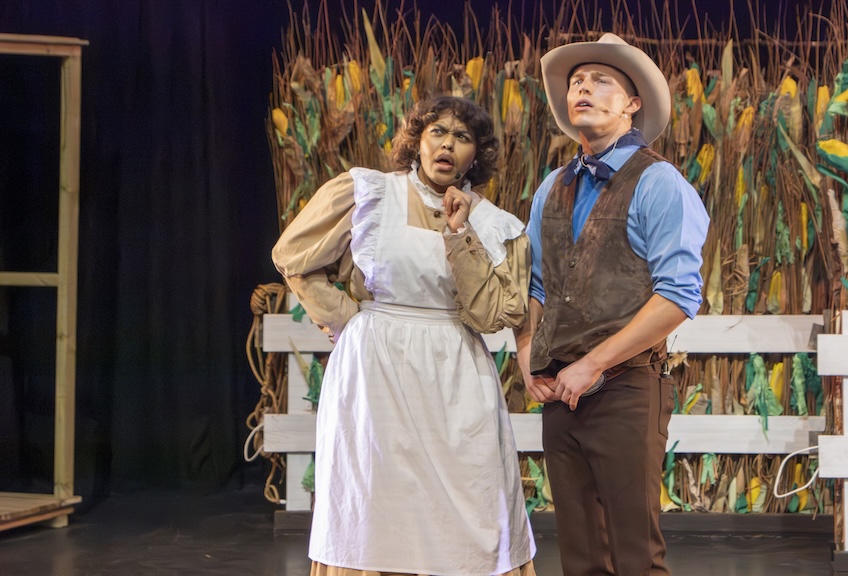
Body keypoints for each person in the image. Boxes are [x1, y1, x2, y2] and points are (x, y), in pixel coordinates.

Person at [272, 95, 536, 576]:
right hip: (376, 367)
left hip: (456, 369)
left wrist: (460, 234)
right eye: (438, 132)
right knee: (374, 500)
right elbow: (294, 256)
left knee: (471, 503)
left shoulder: (495, 224)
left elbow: (495, 313)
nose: (448, 145)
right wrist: (348, 318)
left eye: (462, 137)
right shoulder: (369, 193)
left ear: (475, 155)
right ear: (417, 141)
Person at [516, 33, 710, 575]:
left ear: (631, 103)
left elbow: (677, 296)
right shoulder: (553, 187)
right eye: (577, 81)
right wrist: (528, 352)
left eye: (601, 80)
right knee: (581, 555)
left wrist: (594, 363)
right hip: (561, 392)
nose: (583, 87)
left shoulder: (658, 182)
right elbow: (535, 285)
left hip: (626, 387)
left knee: (634, 554)